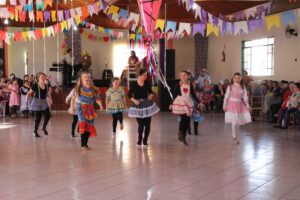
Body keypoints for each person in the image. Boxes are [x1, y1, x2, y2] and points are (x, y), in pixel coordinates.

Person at [128, 68, 159, 149]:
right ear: (140, 75)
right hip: (138, 106)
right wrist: (134, 100)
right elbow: (129, 95)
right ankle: (139, 139)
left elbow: (151, 92)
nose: (146, 77)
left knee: (147, 125)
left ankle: (145, 140)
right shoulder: (133, 83)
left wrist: (150, 96)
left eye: (146, 75)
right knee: (141, 125)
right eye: (144, 75)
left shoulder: (147, 83)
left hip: (147, 105)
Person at [170, 70, 200, 145]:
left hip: (188, 102)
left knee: (187, 120)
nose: (183, 77)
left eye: (185, 75)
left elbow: (193, 95)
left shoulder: (190, 85)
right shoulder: (178, 85)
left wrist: (199, 102)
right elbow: (174, 95)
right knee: (183, 118)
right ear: (180, 77)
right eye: (182, 75)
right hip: (180, 103)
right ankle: (180, 132)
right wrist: (171, 103)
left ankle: (184, 136)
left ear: (187, 77)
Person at [77, 71, 103, 150]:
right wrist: (73, 105)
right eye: (85, 77)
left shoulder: (93, 89)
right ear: (81, 79)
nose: (87, 78)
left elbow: (97, 99)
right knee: (83, 124)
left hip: (90, 109)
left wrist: (100, 105)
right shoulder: (78, 88)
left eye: (88, 77)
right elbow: (74, 97)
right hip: (82, 108)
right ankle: (82, 145)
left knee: (89, 126)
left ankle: (85, 144)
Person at [223, 72, 251, 145]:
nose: (237, 79)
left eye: (238, 78)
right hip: (232, 105)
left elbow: (245, 97)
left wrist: (248, 106)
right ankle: (234, 137)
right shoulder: (230, 86)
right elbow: (226, 97)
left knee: (238, 122)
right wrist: (224, 106)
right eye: (235, 78)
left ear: (240, 79)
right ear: (233, 78)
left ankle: (235, 136)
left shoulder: (243, 86)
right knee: (234, 122)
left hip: (239, 105)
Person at [26, 72, 51, 137]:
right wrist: (27, 100)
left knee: (48, 115)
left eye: (44, 76)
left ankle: (43, 127)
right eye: (41, 76)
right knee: (38, 118)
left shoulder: (46, 85)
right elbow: (28, 93)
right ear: (38, 78)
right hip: (36, 102)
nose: (43, 77)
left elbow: (47, 94)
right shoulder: (35, 85)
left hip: (43, 102)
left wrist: (50, 99)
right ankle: (35, 132)